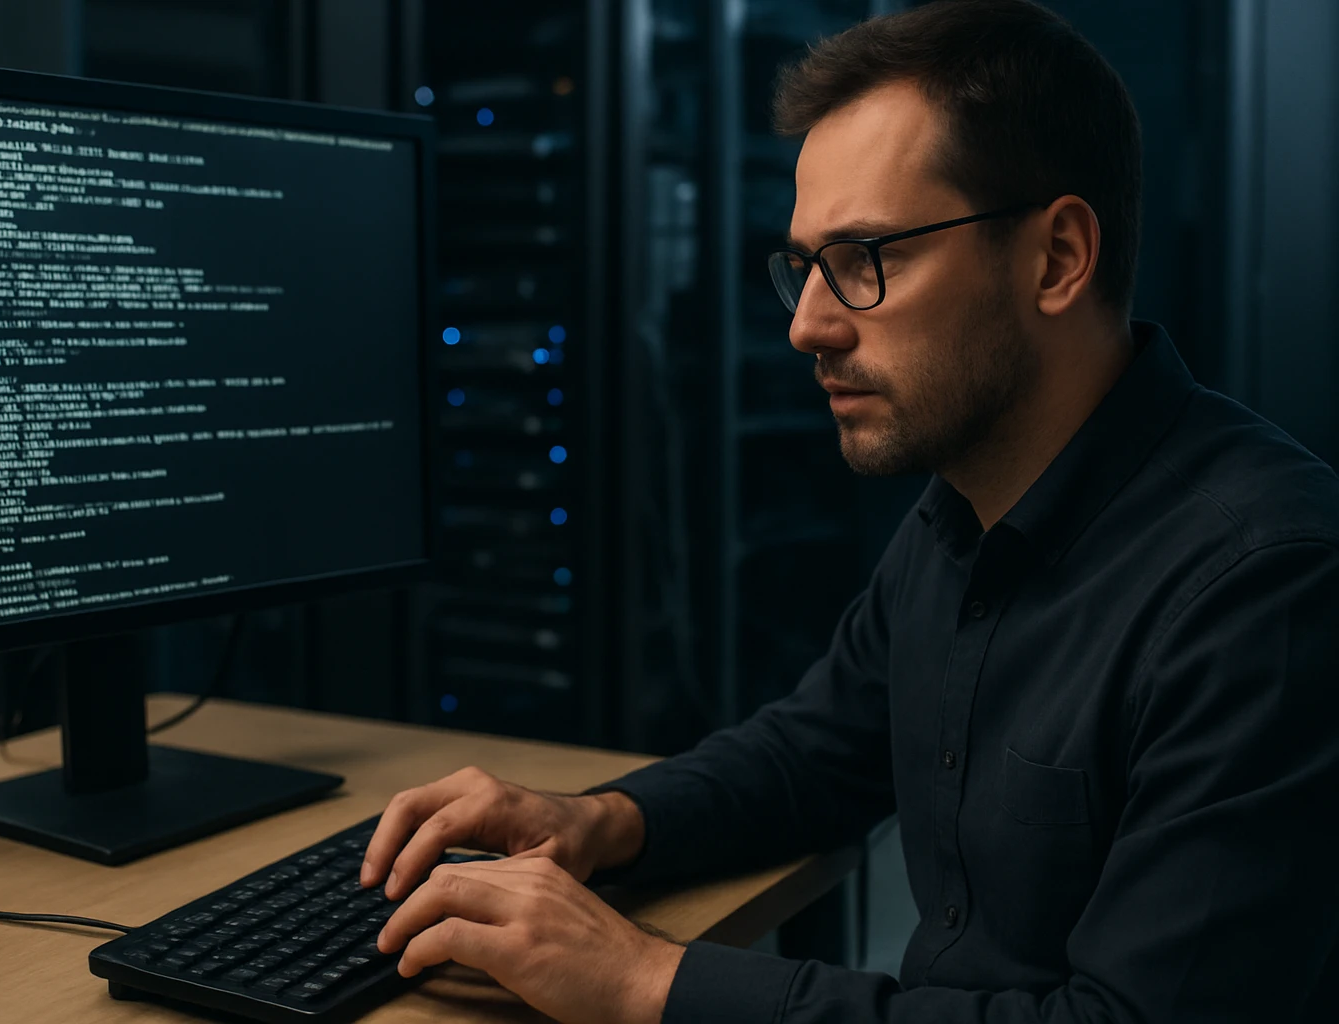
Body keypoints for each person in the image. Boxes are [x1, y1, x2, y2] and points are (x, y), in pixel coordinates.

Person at [360, 1, 1339, 1021]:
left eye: (868, 258)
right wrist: (597, 820)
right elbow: (813, 754)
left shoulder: (1264, 584)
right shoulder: (962, 513)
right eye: (804, 266)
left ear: (1056, 258)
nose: (809, 325)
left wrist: (645, 976)